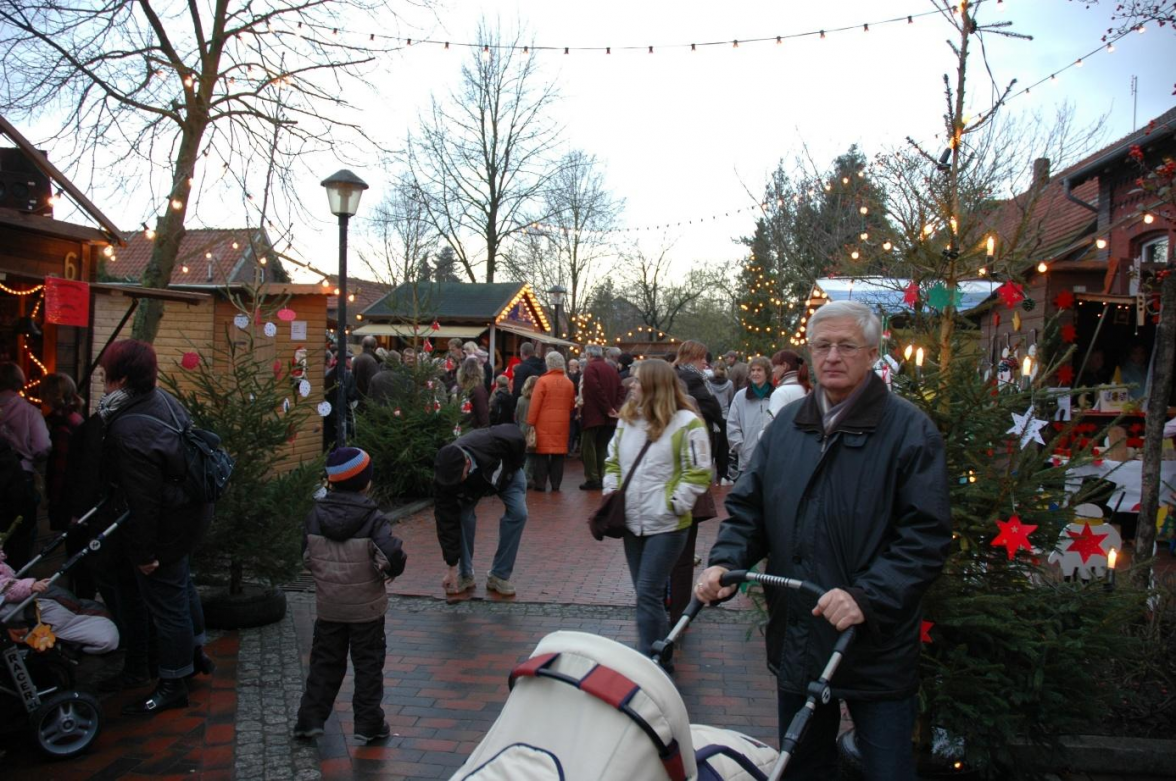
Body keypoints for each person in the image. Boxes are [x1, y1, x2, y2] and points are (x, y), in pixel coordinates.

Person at [696, 300, 952, 780]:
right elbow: (749, 510)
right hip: (800, 638)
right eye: (822, 346)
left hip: (874, 642)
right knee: (802, 768)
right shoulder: (787, 429)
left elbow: (926, 535)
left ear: (874, 353)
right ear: (810, 353)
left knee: (888, 769)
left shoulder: (908, 431)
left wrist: (866, 597)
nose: (833, 356)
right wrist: (725, 562)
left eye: (847, 346)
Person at [99, 339, 216, 715]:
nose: (102, 383)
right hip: (189, 515)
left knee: (167, 605)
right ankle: (196, 654)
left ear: (120, 379)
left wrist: (145, 552)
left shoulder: (129, 426)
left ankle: (173, 681)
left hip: (167, 524)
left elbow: (143, 499)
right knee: (181, 589)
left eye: (105, 375)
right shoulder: (162, 401)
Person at [294, 447, 406, 743]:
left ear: (331, 482)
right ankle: (368, 723)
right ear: (365, 482)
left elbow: (307, 555)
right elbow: (391, 552)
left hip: (329, 606)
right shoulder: (373, 518)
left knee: (325, 662)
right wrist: (390, 568)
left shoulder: (315, 516)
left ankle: (309, 718)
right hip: (366, 610)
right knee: (368, 665)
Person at [603, 360, 710, 662]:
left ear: (654, 384)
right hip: (632, 521)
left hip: (667, 525)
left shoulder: (687, 423)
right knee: (645, 594)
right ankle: (659, 654)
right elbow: (612, 460)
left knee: (648, 593)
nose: (630, 385)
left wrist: (675, 504)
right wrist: (612, 492)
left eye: (636, 381)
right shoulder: (628, 420)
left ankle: (652, 661)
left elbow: (699, 471)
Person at [434, 424, 528, 597]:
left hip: (507, 474)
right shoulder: (446, 479)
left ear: (467, 464)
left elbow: (518, 438)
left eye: (458, 478)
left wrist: (513, 467)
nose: (455, 483)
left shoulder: (495, 441)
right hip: (474, 488)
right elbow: (446, 521)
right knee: (462, 517)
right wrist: (451, 567)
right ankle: (465, 574)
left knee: (519, 513)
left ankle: (499, 575)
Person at [669, 340, 722, 624]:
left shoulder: (682, 381)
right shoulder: (692, 386)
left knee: (669, 555)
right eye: (704, 358)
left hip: (672, 489)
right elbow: (713, 411)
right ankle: (676, 612)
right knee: (680, 555)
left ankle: (669, 608)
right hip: (681, 490)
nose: (707, 364)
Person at [0, 548, 119, 655]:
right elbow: (4, 587)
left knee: (68, 606)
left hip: (37, 601)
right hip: (23, 602)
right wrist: (29, 586)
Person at [0, 362, 51, 570]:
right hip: (22, 478)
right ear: (19, 382)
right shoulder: (29, 411)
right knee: (21, 539)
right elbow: (43, 446)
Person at [41, 373, 85, 533]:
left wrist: (53, 500)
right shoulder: (76, 419)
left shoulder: (61, 426)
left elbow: (61, 468)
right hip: (74, 499)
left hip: (67, 500)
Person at [527, 351, 576, 492]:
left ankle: (541, 484)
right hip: (562, 423)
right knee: (558, 454)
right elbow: (571, 404)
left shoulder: (542, 381)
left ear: (548, 364)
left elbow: (535, 405)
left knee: (542, 454)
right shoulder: (569, 383)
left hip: (543, 422)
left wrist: (530, 423)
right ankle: (556, 484)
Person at [579, 344, 625, 491]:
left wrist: (607, 408)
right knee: (602, 447)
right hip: (609, 418)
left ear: (588, 355)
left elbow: (595, 390)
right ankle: (601, 475)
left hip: (594, 415)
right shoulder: (610, 369)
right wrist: (615, 409)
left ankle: (592, 478)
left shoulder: (590, 369)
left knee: (588, 447)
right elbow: (620, 389)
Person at [726, 356, 774, 481]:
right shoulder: (740, 396)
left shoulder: (776, 395)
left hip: (771, 457)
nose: (755, 373)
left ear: (767, 372)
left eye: (759, 370)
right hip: (747, 458)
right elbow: (732, 424)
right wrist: (740, 447)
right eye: (752, 370)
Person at [766, 349, 810, 427]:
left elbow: (774, 428)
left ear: (784, 366)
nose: (773, 370)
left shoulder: (780, 393)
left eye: (775, 366)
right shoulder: (808, 389)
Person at [707, 363, 735, 483]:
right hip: (724, 417)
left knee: (711, 445)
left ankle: (708, 472)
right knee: (723, 447)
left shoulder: (708, 383)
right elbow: (730, 399)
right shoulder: (729, 384)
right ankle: (722, 472)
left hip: (712, 417)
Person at [515, 375, 539, 488]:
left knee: (524, 454)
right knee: (531, 455)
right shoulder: (537, 400)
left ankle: (521, 476)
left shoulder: (520, 399)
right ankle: (527, 477)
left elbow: (516, 416)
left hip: (522, 428)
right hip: (533, 429)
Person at [458, 356, 490, 430]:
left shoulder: (461, 388)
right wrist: (486, 430)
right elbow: (483, 413)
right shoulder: (478, 390)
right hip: (475, 430)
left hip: (464, 428)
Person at [566, 358, 583, 454]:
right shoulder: (567, 375)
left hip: (577, 403)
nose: (570, 367)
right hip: (571, 403)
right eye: (569, 365)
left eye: (572, 365)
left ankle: (574, 446)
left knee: (575, 427)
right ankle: (570, 447)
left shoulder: (579, 376)